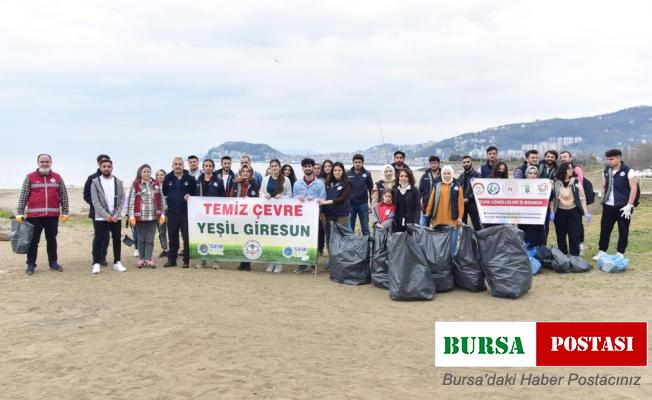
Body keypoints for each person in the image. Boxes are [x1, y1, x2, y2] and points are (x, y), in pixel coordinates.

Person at [16, 154, 69, 275]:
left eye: (47, 161)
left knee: (52, 240)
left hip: (52, 216)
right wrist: (20, 213)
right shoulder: (30, 177)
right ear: (38, 163)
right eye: (42, 161)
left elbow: (64, 195)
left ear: (51, 162)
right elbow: (23, 196)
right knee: (33, 241)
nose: (44, 164)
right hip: (34, 217)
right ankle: (30, 264)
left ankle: (53, 263)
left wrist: (65, 211)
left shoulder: (57, 177)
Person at [594, 149, 639, 261]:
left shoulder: (629, 171)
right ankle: (602, 251)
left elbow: (634, 189)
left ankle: (620, 252)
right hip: (608, 206)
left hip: (623, 206)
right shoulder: (606, 171)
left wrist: (629, 205)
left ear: (619, 158)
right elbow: (603, 185)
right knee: (605, 229)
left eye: (612, 159)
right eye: (607, 159)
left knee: (623, 229)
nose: (609, 161)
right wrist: (602, 196)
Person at [90, 159, 126, 274]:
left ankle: (117, 262)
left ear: (112, 167)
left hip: (116, 217)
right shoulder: (95, 182)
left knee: (117, 239)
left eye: (109, 166)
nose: (106, 168)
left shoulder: (118, 182)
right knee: (99, 239)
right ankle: (96, 263)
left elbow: (122, 200)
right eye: (104, 166)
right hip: (101, 217)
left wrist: (116, 214)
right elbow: (95, 202)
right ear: (100, 168)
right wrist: (106, 215)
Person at [128, 164, 167, 269]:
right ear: (141, 173)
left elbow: (162, 199)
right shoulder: (135, 184)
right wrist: (131, 215)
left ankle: (148, 259)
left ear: (150, 173)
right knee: (141, 239)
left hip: (153, 217)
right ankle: (141, 259)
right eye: (144, 171)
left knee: (150, 239)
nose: (146, 173)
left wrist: (162, 213)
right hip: (139, 217)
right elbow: (131, 201)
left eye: (148, 171)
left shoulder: (156, 184)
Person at [292, 158, 326, 273]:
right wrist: (298, 198)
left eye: (309, 166)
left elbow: (323, 199)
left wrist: (315, 200)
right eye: (305, 166)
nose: (307, 168)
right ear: (302, 168)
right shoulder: (297, 184)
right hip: (300, 217)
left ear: (313, 167)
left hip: (314, 218)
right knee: (301, 240)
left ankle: (312, 263)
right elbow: (293, 199)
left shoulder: (320, 184)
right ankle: (302, 264)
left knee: (313, 240)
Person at [549, 162, 591, 256]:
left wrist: (586, 212)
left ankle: (575, 256)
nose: (571, 170)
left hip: (574, 212)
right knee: (561, 235)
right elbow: (552, 199)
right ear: (563, 170)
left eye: (572, 168)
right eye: (569, 168)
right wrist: (552, 212)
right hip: (560, 212)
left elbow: (582, 198)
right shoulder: (555, 183)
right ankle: (562, 256)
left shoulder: (576, 182)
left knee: (574, 235)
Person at [162, 157, 197, 268]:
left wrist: (190, 196)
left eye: (180, 164)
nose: (178, 166)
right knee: (172, 237)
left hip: (185, 213)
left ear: (183, 165)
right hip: (171, 213)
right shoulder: (167, 178)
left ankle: (186, 260)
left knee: (187, 237)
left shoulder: (190, 178)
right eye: (175, 164)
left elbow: (195, 194)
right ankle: (172, 260)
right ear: (172, 166)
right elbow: (165, 192)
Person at [260, 159, 293, 273]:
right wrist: (265, 195)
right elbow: (260, 193)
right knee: (270, 237)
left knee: (280, 237)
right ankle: (271, 261)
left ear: (279, 167)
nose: (274, 168)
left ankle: (279, 262)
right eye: (272, 166)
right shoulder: (265, 179)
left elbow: (290, 195)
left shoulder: (286, 179)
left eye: (276, 166)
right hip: (269, 212)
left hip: (281, 213)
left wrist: (282, 197)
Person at [425, 165, 464, 253]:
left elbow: (460, 204)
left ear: (452, 174)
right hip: (438, 220)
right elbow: (431, 201)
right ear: (442, 174)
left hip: (452, 220)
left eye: (449, 173)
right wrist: (428, 213)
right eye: (445, 173)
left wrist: (460, 217)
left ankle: (452, 260)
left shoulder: (458, 186)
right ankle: (440, 261)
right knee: (439, 243)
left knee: (452, 244)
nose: (446, 175)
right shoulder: (437, 185)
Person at [196, 159, 226, 269]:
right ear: (203, 168)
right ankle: (201, 261)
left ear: (213, 168)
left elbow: (223, 198)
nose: (208, 167)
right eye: (206, 166)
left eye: (210, 166)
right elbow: (195, 196)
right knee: (201, 237)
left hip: (214, 215)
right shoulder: (198, 181)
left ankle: (216, 261)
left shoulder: (219, 181)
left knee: (215, 237)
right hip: (201, 215)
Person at [320, 162, 352, 266]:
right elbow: (324, 197)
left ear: (343, 171)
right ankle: (332, 259)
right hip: (328, 215)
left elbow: (342, 199)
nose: (337, 172)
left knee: (342, 238)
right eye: (335, 170)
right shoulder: (328, 184)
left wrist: (328, 202)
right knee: (329, 238)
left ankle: (342, 260)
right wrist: (323, 212)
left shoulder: (347, 183)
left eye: (339, 170)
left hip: (341, 215)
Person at [230, 165, 261, 271]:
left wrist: (249, 200)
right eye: (243, 171)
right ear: (240, 172)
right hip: (237, 215)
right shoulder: (235, 183)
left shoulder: (255, 184)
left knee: (249, 239)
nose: (245, 173)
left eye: (248, 171)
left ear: (251, 173)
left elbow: (257, 199)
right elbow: (230, 198)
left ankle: (247, 263)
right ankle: (241, 263)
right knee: (239, 239)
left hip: (250, 216)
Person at [84, 154, 111, 266]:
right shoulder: (92, 178)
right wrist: (97, 204)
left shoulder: (112, 178)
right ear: (99, 164)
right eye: (102, 162)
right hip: (96, 212)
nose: (105, 167)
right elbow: (86, 195)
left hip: (110, 213)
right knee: (98, 235)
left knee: (107, 235)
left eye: (107, 163)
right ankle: (96, 257)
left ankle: (103, 257)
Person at [519, 166, 548, 248]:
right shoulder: (520, 185)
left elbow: (550, 196)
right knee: (524, 239)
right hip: (523, 217)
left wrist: (550, 187)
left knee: (537, 239)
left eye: (535, 173)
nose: (532, 175)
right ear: (526, 174)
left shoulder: (542, 186)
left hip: (537, 218)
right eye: (530, 173)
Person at [347, 154, 373, 236]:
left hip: (363, 204)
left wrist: (371, 204)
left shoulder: (367, 174)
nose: (357, 164)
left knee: (365, 227)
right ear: (353, 163)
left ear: (362, 163)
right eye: (356, 162)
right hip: (351, 205)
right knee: (350, 227)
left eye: (359, 162)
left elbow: (371, 189)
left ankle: (367, 246)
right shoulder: (347, 174)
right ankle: (350, 246)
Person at [458, 155, 481, 231]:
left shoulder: (477, 176)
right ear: (462, 164)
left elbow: (479, 191)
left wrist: (468, 199)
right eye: (464, 162)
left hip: (473, 204)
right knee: (463, 226)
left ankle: (480, 242)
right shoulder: (461, 176)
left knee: (476, 225)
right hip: (462, 205)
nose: (466, 164)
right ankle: (466, 241)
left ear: (471, 162)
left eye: (468, 162)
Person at [418, 156, 441, 226]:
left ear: (439, 164)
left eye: (435, 163)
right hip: (426, 206)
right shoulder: (424, 176)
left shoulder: (443, 176)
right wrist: (419, 203)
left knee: (437, 227)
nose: (433, 165)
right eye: (431, 163)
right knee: (424, 226)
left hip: (439, 206)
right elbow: (420, 191)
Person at [317, 160, 333, 257]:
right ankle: (323, 250)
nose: (327, 168)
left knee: (333, 233)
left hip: (334, 208)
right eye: (325, 166)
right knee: (325, 231)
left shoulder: (335, 178)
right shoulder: (320, 180)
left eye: (329, 166)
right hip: (323, 209)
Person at [155, 169, 169, 258]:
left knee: (171, 232)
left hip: (169, 212)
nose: (160, 176)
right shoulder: (153, 187)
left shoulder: (169, 186)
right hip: (159, 213)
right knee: (162, 231)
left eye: (162, 174)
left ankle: (172, 249)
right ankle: (165, 249)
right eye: (158, 175)